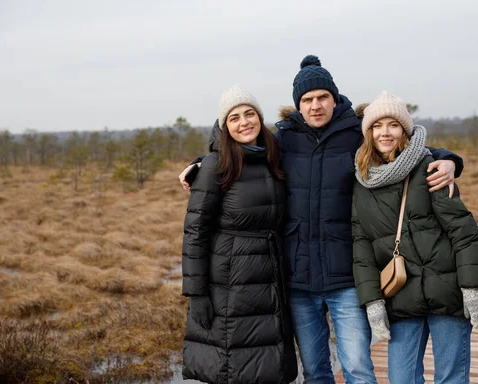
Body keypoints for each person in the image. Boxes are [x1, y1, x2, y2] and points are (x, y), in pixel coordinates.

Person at [180, 55, 463, 384]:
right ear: (298, 105)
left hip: (346, 277)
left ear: (334, 98)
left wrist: (448, 159)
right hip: (298, 280)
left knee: (357, 367)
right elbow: (243, 150)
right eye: (307, 100)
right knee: (315, 371)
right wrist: (201, 164)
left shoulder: (356, 135)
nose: (315, 106)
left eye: (321, 97)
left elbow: (400, 147)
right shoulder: (283, 139)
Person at [352, 91, 478, 383]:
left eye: (392, 124)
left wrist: (472, 288)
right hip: (401, 298)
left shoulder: (430, 169)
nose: (384, 132)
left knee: (451, 378)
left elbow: (464, 233)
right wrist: (373, 302)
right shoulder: (362, 182)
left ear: (404, 129)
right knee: (402, 379)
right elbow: (361, 246)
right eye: (377, 125)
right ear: (368, 132)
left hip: (447, 294)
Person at [181, 85, 297, 384]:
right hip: (230, 282)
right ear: (225, 126)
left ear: (259, 117)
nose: (244, 122)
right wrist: (197, 295)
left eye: (249, 114)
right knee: (235, 368)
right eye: (234, 118)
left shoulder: (273, 157)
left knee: (270, 365)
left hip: (271, 276)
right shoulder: (214, 166)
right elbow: (195, 232)